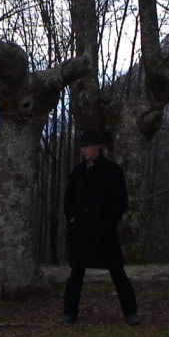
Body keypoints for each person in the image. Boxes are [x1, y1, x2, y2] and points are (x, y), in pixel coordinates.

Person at [60, 128, 140, 326]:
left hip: (104, 232)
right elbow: (68, 199)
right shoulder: (78, 172)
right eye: (82, 147)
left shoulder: (113, 171)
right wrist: (72, 219)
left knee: (118, 273)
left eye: (87, 146)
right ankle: (69, 313)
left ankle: (131, 312)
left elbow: (120, 201)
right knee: (76, 274)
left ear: (98, 146)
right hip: (81, 231)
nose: (84, 150)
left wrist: (107, 224)